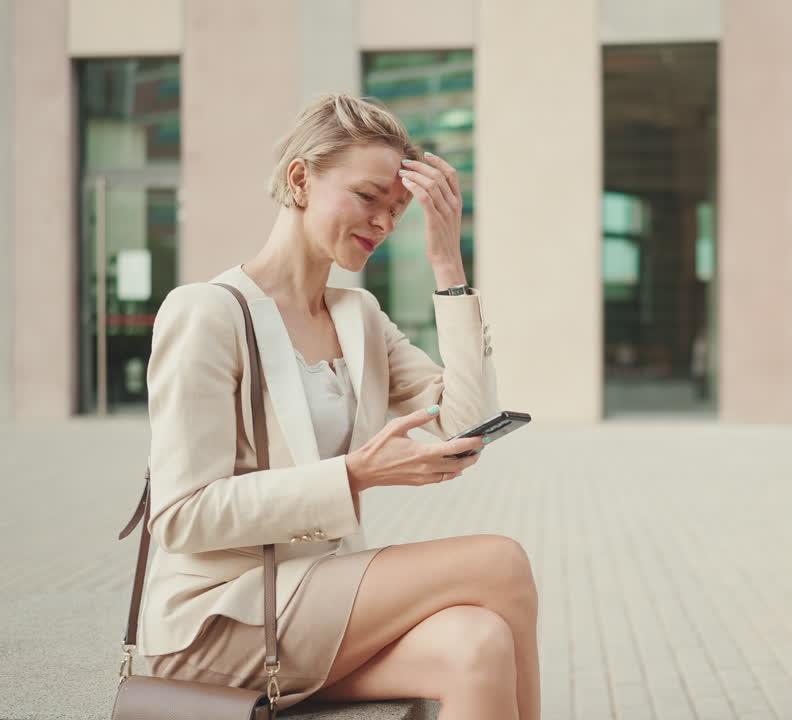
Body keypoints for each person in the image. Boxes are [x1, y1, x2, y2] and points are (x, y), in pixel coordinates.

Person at [138, 94, 540, 720]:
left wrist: (446, 262)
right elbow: (182, 518)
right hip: (221, 616)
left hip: (315, 607)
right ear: (300, 179)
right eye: (368, 196)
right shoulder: (208, 312)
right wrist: (353, 475)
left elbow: (466, 424)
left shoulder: (359, 317)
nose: (383, 221)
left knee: (478, 643)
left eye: (398, 209)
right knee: (500, 563)